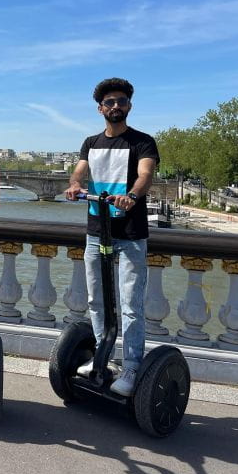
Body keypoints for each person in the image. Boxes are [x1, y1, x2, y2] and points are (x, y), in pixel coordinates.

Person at [64, 78, 159, 397]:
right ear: (100, 108)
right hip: (97, 230)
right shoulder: (90, 143)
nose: (115, 106)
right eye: (110, 102)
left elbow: (145, 174)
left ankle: (132, 365)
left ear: (129, 106)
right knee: (96, 299)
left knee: (131, 303)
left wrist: (132, 195)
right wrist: (76, 185)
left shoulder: (142, 142)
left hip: (131, 232)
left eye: (121, 101)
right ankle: (101, 357)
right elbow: (79, 170)